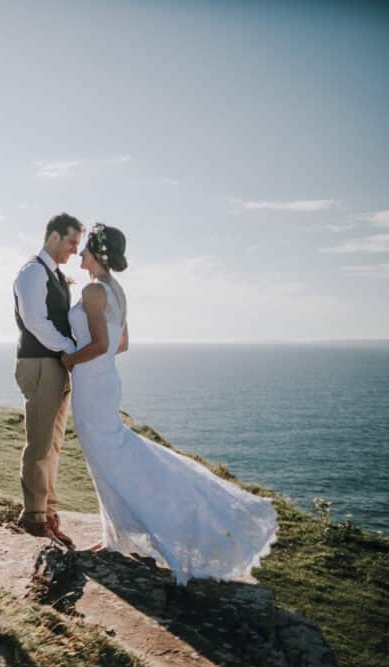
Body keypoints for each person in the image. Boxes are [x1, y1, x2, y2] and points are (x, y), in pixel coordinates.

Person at [62, 223, 278, 584]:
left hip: (91, 387)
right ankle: (113, 538)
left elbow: (101, 344)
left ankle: (141, 530)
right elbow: (121, 344)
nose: (79, 253)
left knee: (108, 459)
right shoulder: (116, 291)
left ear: (97, 252)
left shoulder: (94, 290)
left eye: (84, 248)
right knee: (108, 458)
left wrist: (69, 361)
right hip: (103, 382)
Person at [12, 212, 84, 543]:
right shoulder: (31, 273)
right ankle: (32, 518)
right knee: (39, 444)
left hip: (55, 364)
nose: (74, 250)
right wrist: (70, 348)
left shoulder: (53, 274)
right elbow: (36, 322)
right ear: (53, 236)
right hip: (40, 363)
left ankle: (48, 512)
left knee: (53, 445)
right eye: (71, 242)